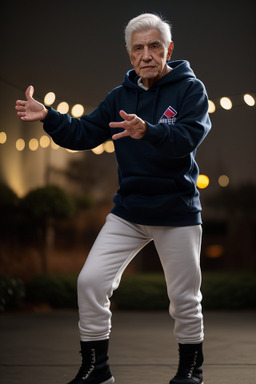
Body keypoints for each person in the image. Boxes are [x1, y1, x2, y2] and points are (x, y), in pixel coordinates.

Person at [16, 13, 211, 384]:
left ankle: (191, 370)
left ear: (169, 49)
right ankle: (97, 369)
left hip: (177, 210)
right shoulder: (120, 97)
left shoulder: (190, 90)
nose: (147, 54)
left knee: (184, 299)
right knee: (89, 283)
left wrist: (148, 131)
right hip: (130, 211)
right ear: (129, 54)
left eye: (155, 46)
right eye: (138, 48)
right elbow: (84, 132)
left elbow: (187, 138)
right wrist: (49, 117)